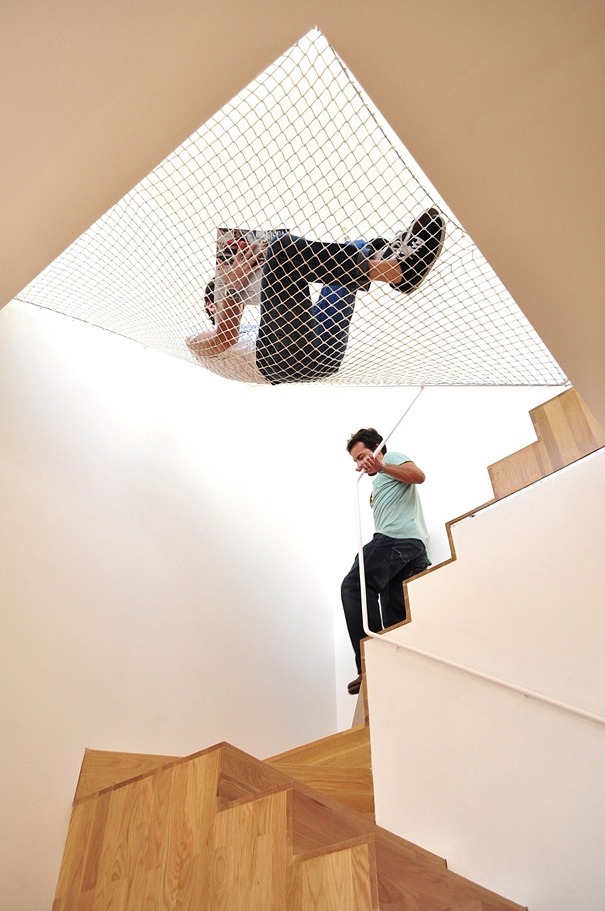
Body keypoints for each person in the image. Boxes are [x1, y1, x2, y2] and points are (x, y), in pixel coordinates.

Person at [187, 208, 445, 384]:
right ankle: (397, 271)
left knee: (352, 249)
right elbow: (224, 339)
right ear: (212, 304)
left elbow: (293, 317)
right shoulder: (193, 339)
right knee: (283, 249)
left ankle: (386, 257)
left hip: (324, 349)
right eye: (219, 299)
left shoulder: (253, 327)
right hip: (278, 361)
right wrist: (231, 289)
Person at [341, 427, 430, 695]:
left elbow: (418, 476)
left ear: (378, 447)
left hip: (397, 538)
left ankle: (370, 660)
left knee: (354, 585)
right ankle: (396, 669)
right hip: (411, 548)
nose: (359, 464)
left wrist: (382, 465)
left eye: (362, 455)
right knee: (393, 618)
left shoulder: (391, 460)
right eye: (356, 461)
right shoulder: (377, 481)